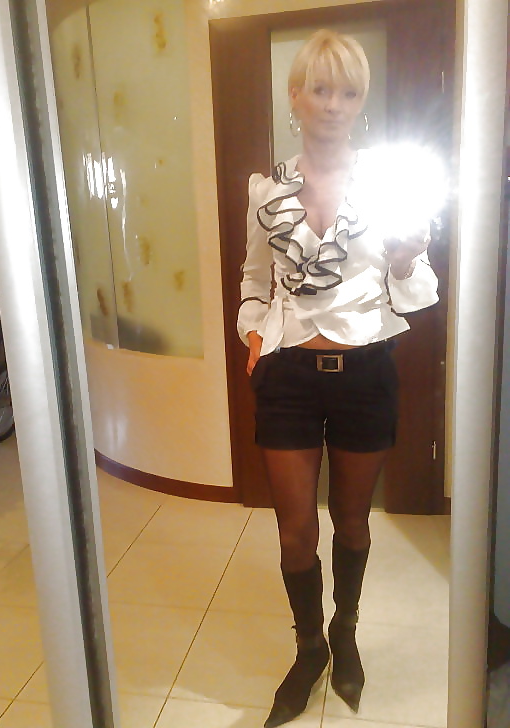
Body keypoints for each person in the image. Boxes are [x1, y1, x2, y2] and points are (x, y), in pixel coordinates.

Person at [236, 29, 439, 728]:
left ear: (360, 102)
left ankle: (345, 630)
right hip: (289, 375)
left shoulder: (387, 185)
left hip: (365, 374)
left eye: (348, 92)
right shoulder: (268, 190)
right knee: (295, 530)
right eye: (320, 89)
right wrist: (254, 331)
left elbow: (412, 287)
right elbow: (254, 276)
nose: (333, 104)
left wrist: (406, 259)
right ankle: (310, 647)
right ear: (295, 96)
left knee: (351, 520)